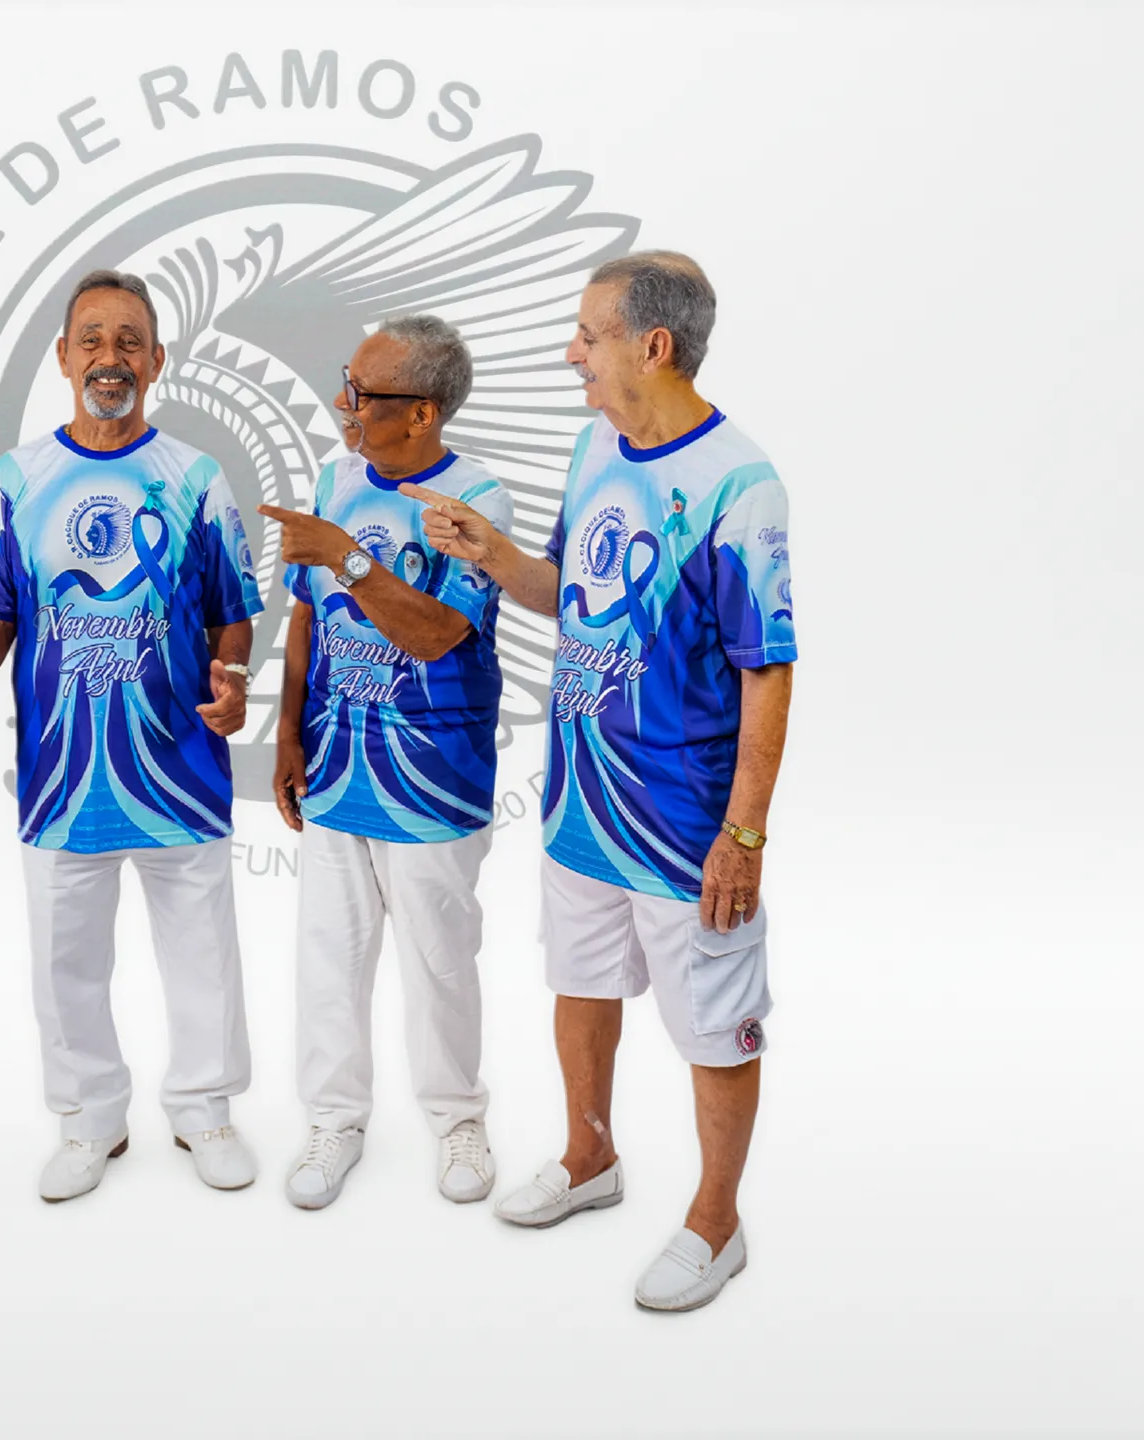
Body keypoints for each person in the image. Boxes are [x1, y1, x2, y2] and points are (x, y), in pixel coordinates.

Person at [404, 251, 796, 1311]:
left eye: (589, 334)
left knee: (713, 1023)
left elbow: (768, 666)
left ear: (652, 345)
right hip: (581, 802)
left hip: (683, 821)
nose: (571, 352)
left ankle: (716, 1222)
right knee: (579, 986)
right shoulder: (597, 446)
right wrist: (492, 554)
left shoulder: (739, 486)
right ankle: (590, 1158)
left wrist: (744, 835)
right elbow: (566, 592)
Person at [0, 270, 264, 1203]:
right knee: (65, 959)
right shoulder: (18, 480)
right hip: (60, 776)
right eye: (93, 340)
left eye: (130, 341)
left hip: (180, 768)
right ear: (64, 358)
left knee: (202, 951)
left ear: (157, 360)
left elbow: (232, 612)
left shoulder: (194, 478)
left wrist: (232, 678)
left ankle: (204, 1109)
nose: (112, 358)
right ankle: (88, 1118)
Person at [256, 316, 513, 1210]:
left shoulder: (475, 502)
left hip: (435, 774)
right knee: (329, 958)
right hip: (337, 765)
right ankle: (335, 1120)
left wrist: (348, 555)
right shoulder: (337, 479)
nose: (344, 404)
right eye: (347, 382)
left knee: (439, 961)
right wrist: (287, 734)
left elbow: (439, 634)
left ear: (423, 413)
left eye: (363, 395)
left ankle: (457, 1117)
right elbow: (306, 613)